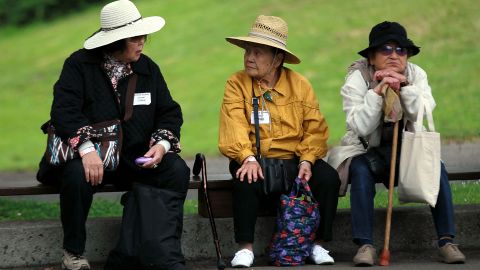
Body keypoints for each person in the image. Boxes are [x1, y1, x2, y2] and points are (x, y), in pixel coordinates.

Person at [37, 1, 189, 269]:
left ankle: (160, 249)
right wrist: (86, 150)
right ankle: (73, 253)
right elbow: (64, 111)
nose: (142, 42)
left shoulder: (148, 68)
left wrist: (163, 145)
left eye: (144, 36)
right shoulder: (78, 65)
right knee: (76, 176)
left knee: (175, 169)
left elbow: (169, 112)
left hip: (134, 156)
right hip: (89, 157)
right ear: (116, 41)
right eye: (136, 38)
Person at [327, 21, 466, 266]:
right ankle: (365, 245)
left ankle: (447, 241)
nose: (394, 55)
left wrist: (405, 87)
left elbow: (422, 111)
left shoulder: (416, 74)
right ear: (371, 57)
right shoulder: (356, 78)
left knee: (437, 168)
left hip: (408, 147)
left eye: (401, 50)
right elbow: (360, 126)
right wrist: (377, 92)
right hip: (367, 149)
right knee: (359, 170)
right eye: (386, 49)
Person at [218, 15, 340, 267]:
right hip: (254, 157)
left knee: (328, 178)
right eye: (248, 50)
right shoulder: (236, 82)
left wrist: (307, 160)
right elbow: (233, 124)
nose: (249, 57)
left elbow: (315, 128)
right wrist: (247, 157)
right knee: (245, 176)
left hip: (294, 159)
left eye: (258, 52)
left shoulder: (300, 84)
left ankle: (318, 245)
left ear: (277, 58)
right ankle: (245, 249)